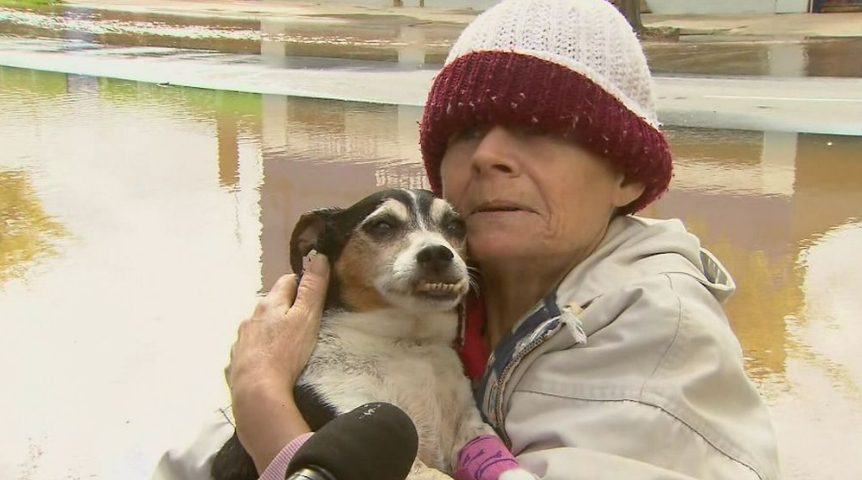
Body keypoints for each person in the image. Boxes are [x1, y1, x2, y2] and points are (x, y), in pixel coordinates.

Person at [151, 0, 781, 479]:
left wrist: (274, 423)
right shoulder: (436, 297)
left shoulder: (658, 337)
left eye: (540, 128)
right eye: (467, 131)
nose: (489, 156)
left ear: (628, 174)